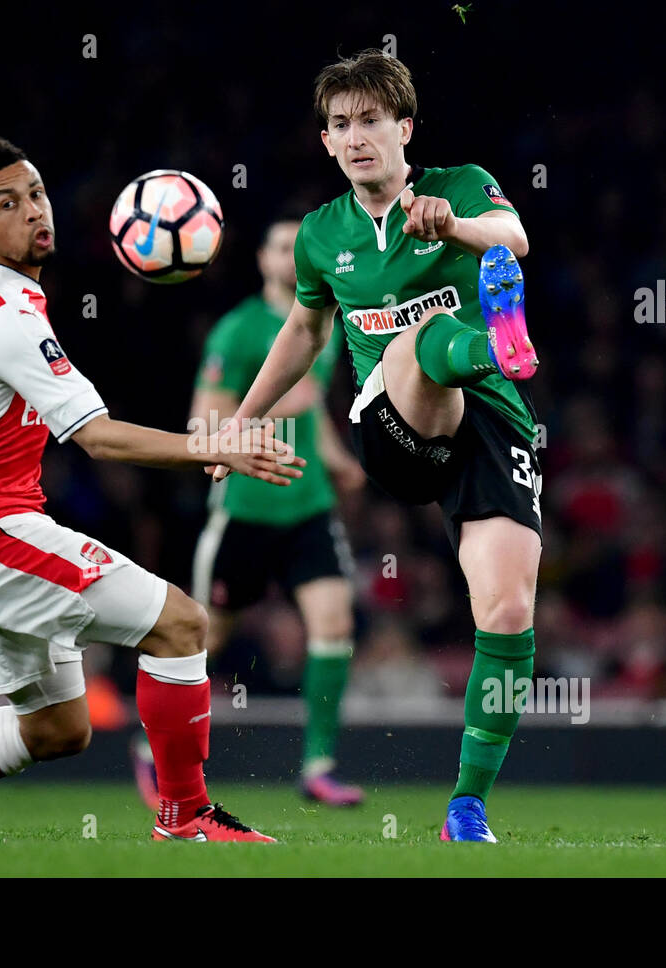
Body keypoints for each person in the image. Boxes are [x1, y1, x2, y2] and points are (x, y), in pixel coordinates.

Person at [0, 135, 305, 843]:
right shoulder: (7, 318)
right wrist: (218, 444)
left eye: (36, 194)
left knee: (57, 729)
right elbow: (97, 438)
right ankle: (187, 817)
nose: (33, 213)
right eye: (6, 204)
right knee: (182, 625)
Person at [215, 51, 542, 842]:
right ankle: (495, 344)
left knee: (506, 610)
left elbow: (512, 236)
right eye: (340, 125)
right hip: (390, 424)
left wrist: (453, 226)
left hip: (490, 424)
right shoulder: (323, 236)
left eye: (370, 121)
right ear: (327, 142)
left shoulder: (459, 183)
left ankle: (466, 807)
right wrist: (243, 420)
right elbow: (303, 331)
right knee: (419, 337)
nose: (356, 137)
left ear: (403, 127)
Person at [132, 216, 367, 807]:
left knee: (334, 626)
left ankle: (318, 764)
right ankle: (151, 748)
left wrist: (337, 460)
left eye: (300, 247)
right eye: (281, 246)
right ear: (261, 259)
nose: (292, 257)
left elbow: (309, 415)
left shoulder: (324, 322)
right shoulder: (236, 332)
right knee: (201, 641)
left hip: (307, 504)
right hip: (243, 511)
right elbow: (203, 423)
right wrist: (280, 404)